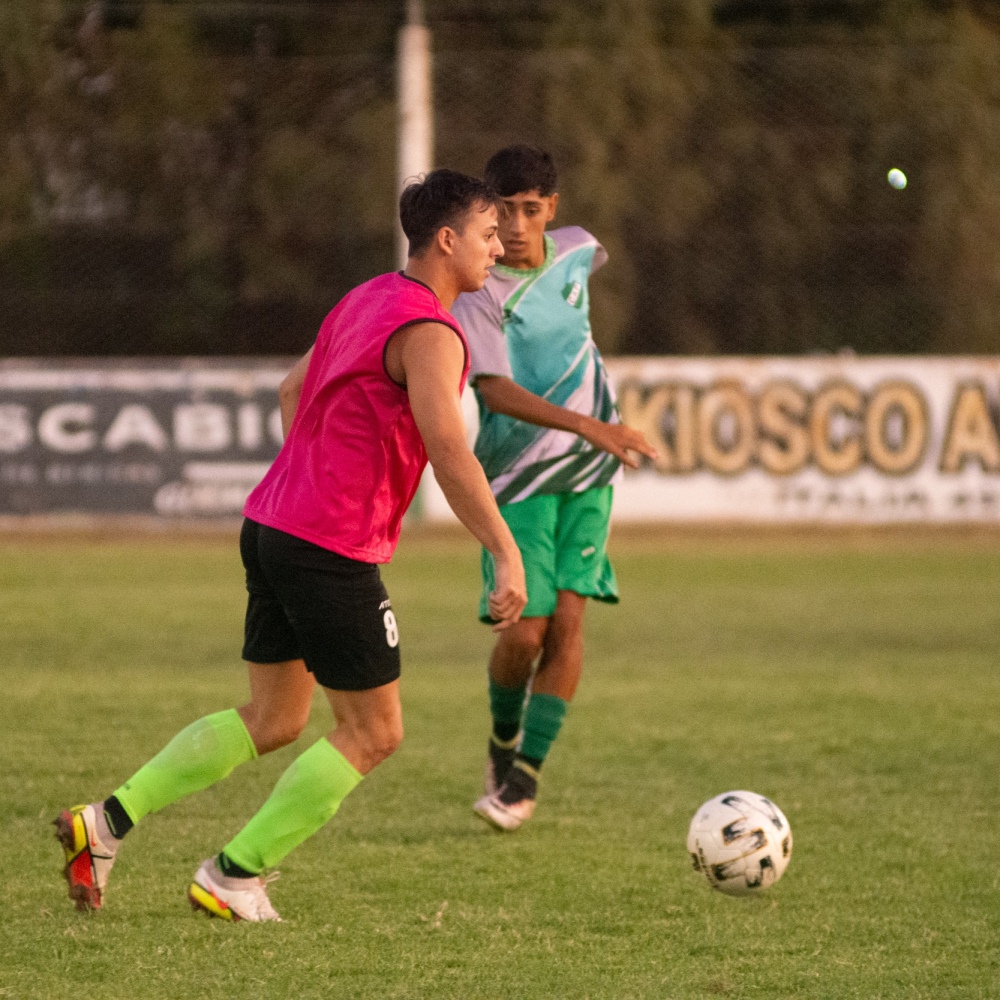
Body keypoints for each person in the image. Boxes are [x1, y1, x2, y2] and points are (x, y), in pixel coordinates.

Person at [55, 169, 528, 921]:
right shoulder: (433, 332)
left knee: (274, 720)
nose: (499, 246)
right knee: (375, 732)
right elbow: (448, 445)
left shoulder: (366, 298)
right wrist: (505, 549)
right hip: (329, 543)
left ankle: (103, 824)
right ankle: (234, 874)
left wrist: (309, 481)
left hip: (273, 524)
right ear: (447, 240)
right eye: (487, 232)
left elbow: (288, 390)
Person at [451, 145, 656, 832]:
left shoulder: (578, 251)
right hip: (515, 478)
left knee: (569, 619)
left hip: (590, 474)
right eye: (501, 210)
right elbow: (495, 390)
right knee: (523, 632)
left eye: (529, 209)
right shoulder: (480, 292)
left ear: (552, 210)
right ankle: (501, 740)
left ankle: (522, 783)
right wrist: (588, 423)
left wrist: (596, 434)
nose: (514, 225)